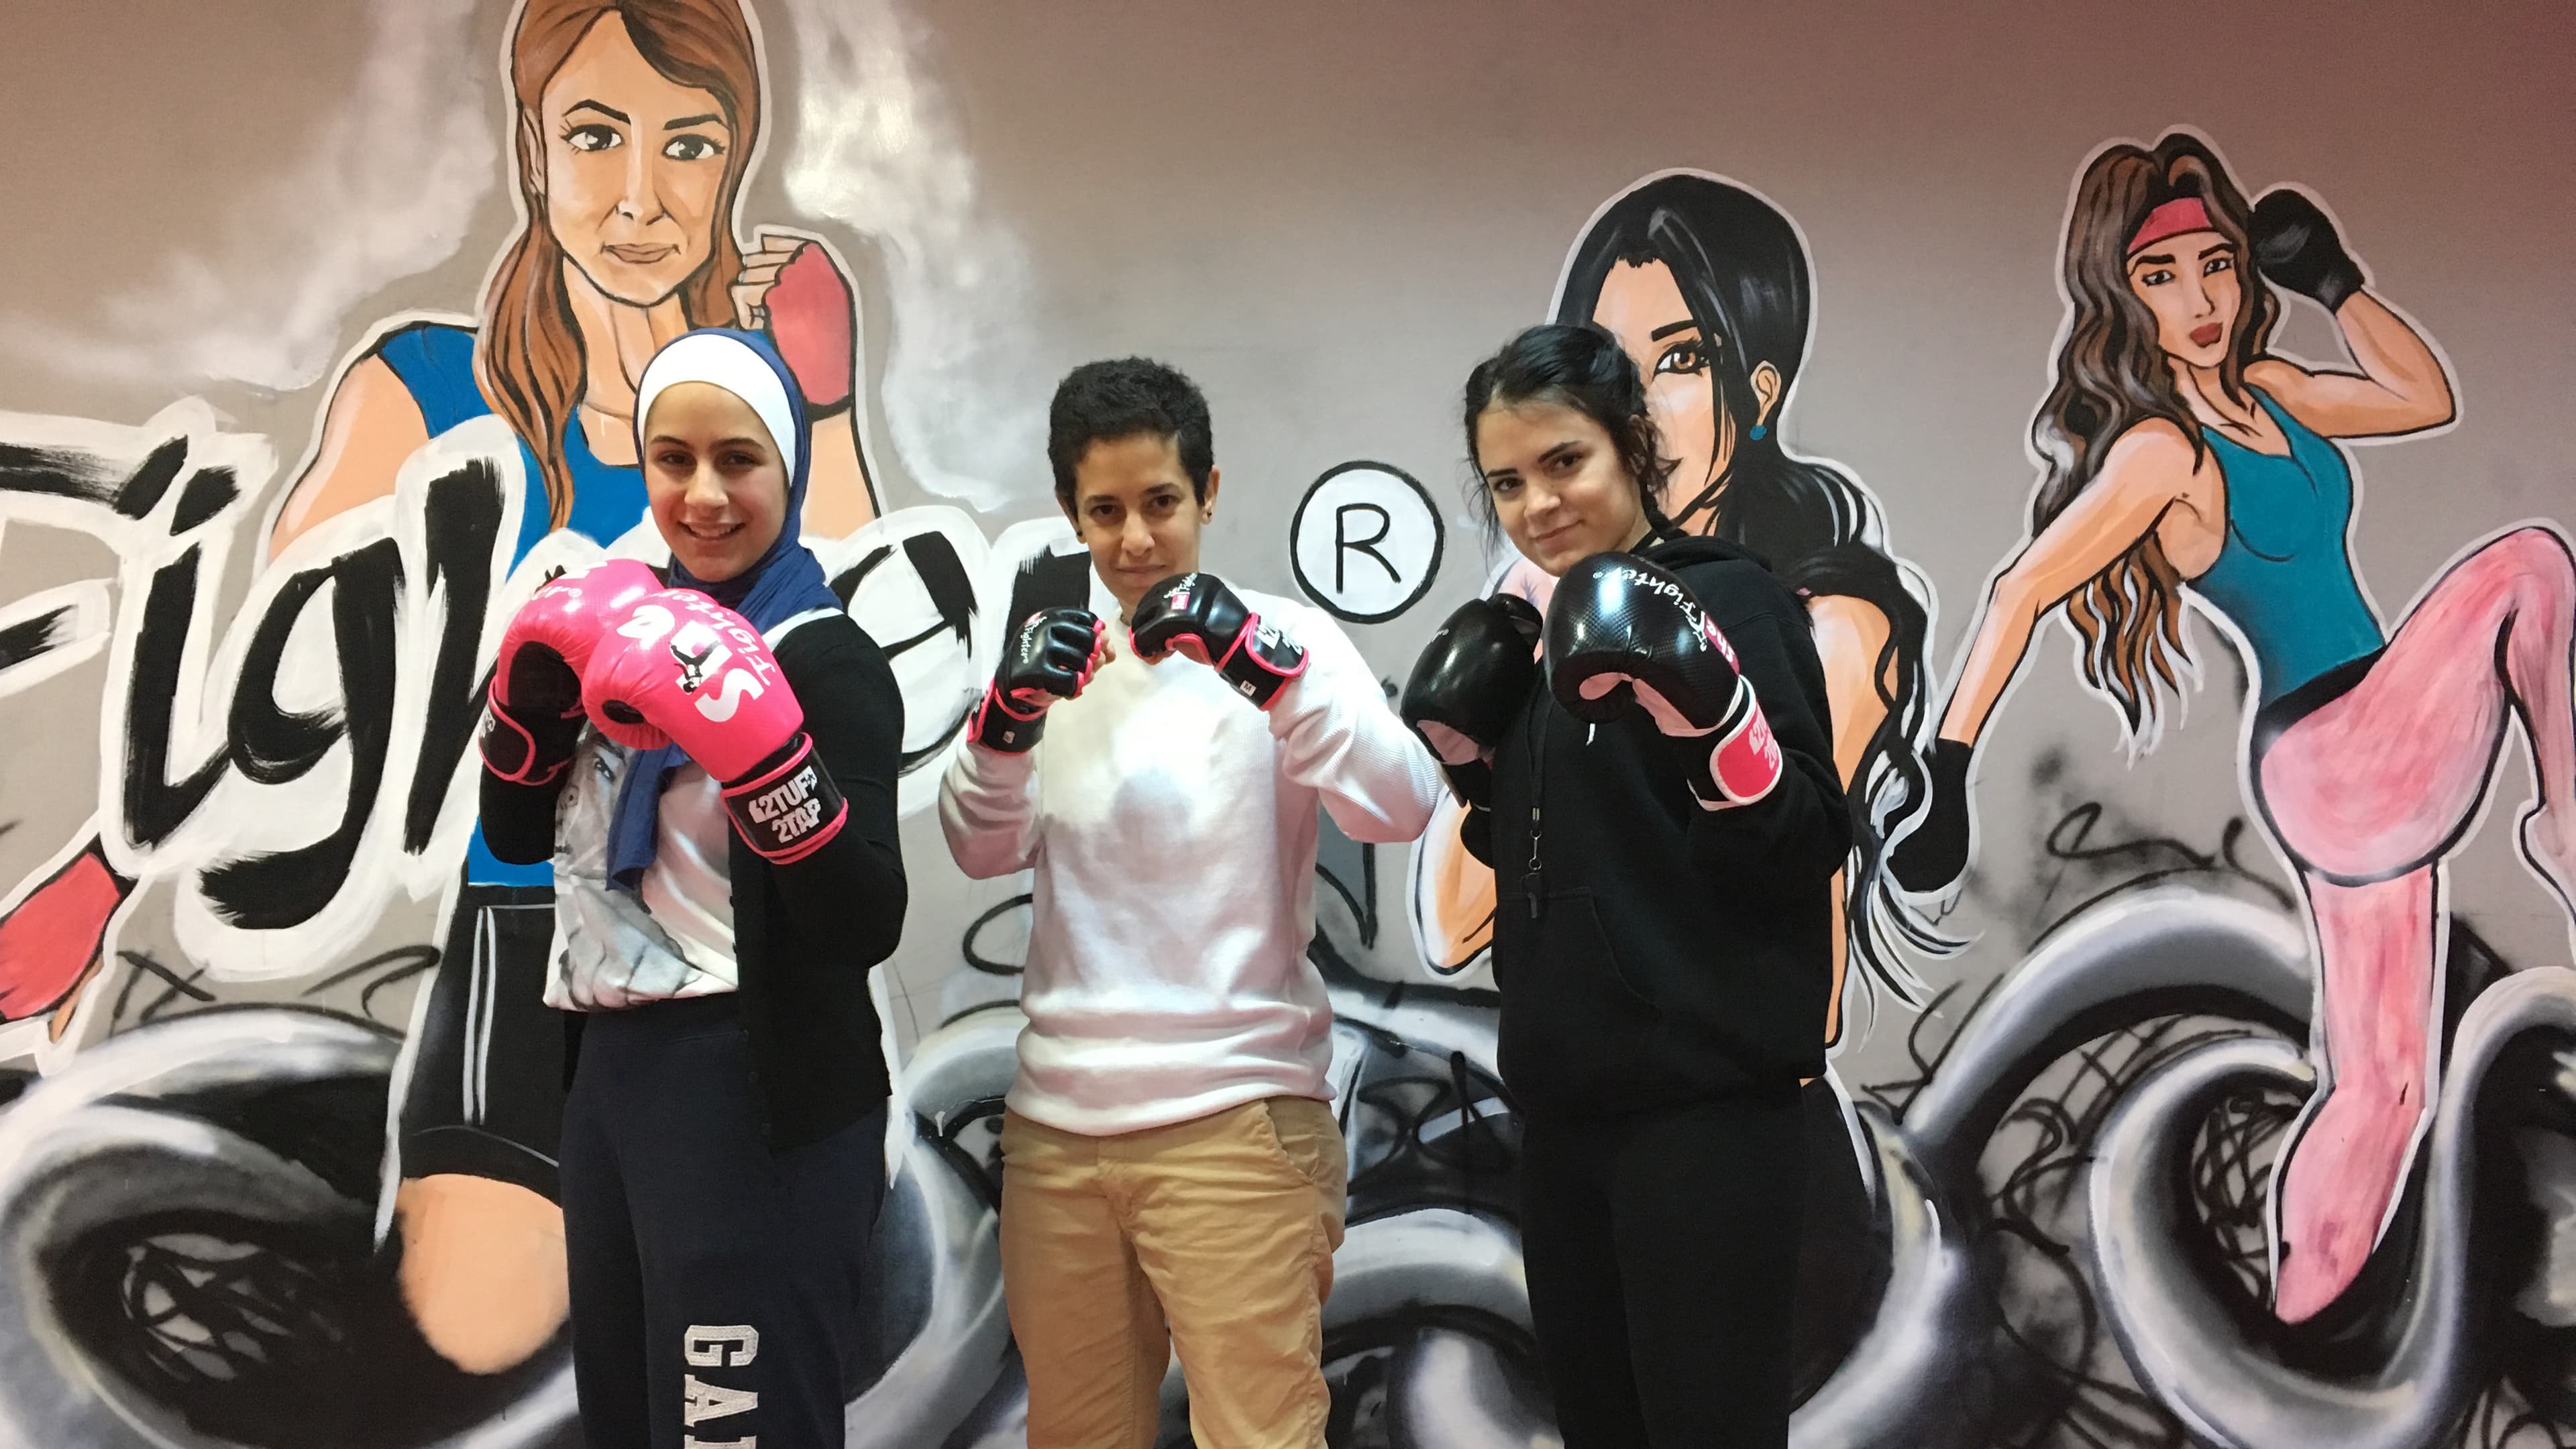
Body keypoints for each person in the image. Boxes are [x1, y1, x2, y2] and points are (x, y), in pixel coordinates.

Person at [1888, 129, 2576, 1325]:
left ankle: (2298, 1331)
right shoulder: (2162, 451)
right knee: (2526, 568)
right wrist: (1944, 769)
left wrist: (2336, 284)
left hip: (2380, 741)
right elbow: (2020, 590)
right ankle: (2570, 835)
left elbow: (2426, 396)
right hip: (2338, 746)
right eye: (2162, 277)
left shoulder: (2271, 394)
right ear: (2120, 295)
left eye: (2217, 264)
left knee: (2384, 1087)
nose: (2201, 300)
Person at [938, 358, 1444, 1448]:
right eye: (1104, 511)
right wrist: (1003, 722)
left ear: (1208, 491)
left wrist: (1271, 673)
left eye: (1160, 503)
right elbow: (979, 850)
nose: (1134, 540)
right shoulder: (1049, 664)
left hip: (1236, 1120)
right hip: (1060, 1134)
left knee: (1259, 1437)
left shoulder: (1286, 639)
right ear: (1072, 511)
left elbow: (1401, 805)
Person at [1402, 322, 1847, 1447]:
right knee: (1601, 1428)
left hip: (1703, 1115)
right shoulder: (1556, 650)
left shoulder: (1726, 601)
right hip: (1567, 1115)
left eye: (1565, 463)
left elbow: (1802, 834)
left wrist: (1720, 716)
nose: (1539, 503)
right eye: (1508, 482)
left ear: (1630, 447)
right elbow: (1562, 862)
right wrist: (1479, 780)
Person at [478, 327, 904, 1446]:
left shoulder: (824, 655)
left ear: (789, 471)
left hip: (752, 1083)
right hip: (611, 1080)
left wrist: (766, 762)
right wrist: (523, 714)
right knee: (627, 1421)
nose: (705, 494)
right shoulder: (605, 633)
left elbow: (863, 918)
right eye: (674, 460)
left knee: (738, 1432)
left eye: (738, 460)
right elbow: (518, 838)